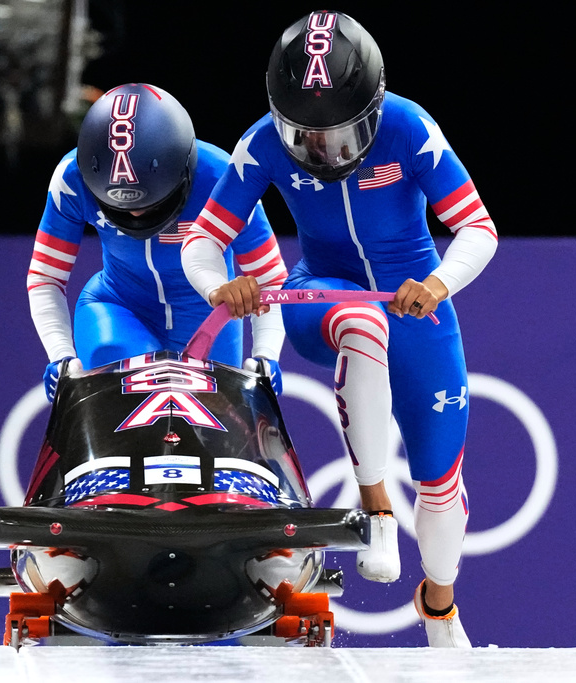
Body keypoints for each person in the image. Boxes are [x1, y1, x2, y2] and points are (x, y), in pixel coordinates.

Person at [181, 11, 498, 648]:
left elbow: (479, 229)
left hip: (415, 304)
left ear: (375, 109)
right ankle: (375, 507)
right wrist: (220, 287)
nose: (324, 151)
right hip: (320, 293)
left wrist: (436, 284)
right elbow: (201, 239)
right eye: (306, 135)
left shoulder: (410, 127)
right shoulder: (262, 142)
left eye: (342, 134)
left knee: (440, 481)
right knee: (360, 321)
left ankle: (439, 607)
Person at [27, 82, 288, 399]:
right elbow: (46, 276)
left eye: (151, 205)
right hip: (118, 309)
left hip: (210, 319)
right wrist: (61, 356)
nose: (136, 217)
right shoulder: (71, 179)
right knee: (134, 398)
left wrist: (265, 356)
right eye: (119, 208)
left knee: (211, 438)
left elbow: (269, 277)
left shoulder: (227, 177)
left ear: (184, 174)